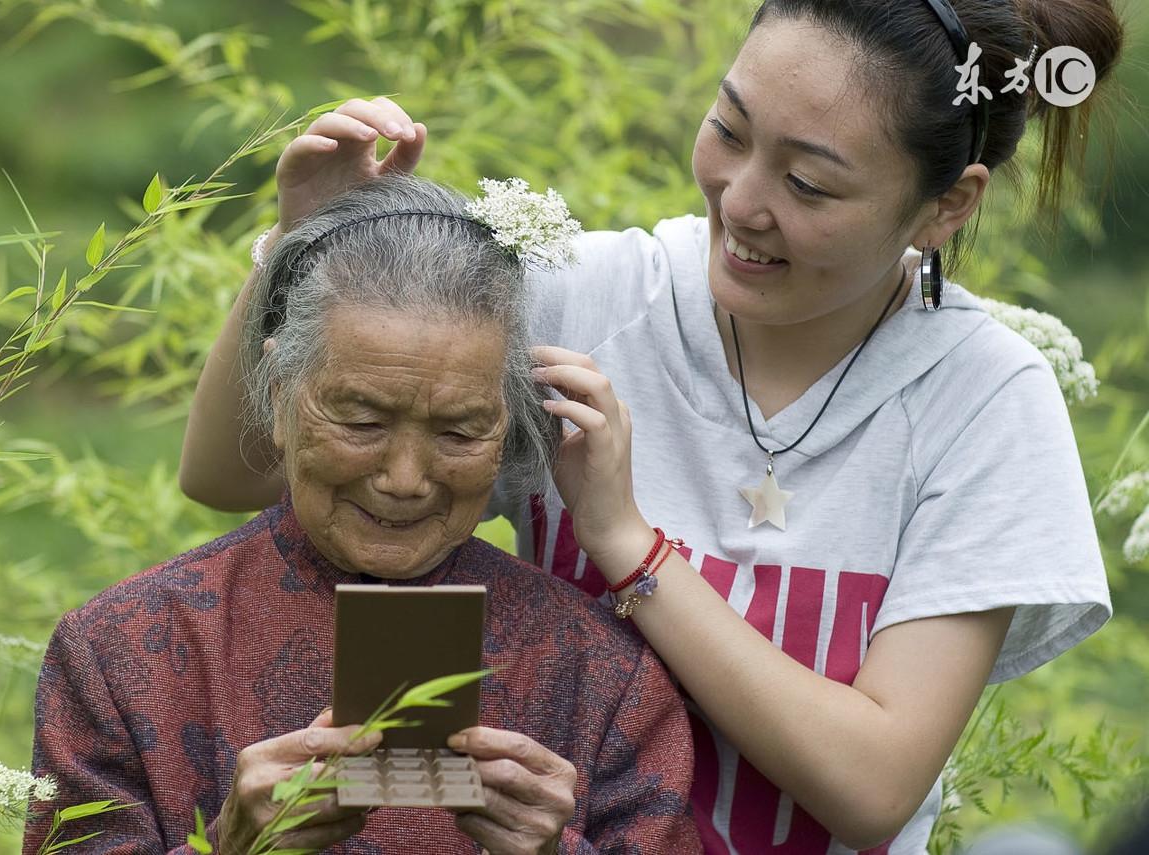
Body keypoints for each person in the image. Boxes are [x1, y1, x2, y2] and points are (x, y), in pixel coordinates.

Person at [178, 0, 1125, 852]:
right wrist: (297, 246)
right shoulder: (579, 295)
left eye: (810, 185)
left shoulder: (984, 399)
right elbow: (233, 472)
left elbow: (873, 786)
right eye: (730, 130)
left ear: (947, 205)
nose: (742, 199)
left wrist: (629, 546)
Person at [26, 176, 701, 855]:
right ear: (280, 392)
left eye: (460, 431)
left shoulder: (602, 677)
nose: (405, 479)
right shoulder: (118, 652)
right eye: (362, 419)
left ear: (511, 423)